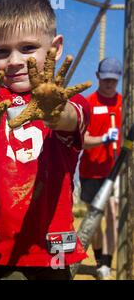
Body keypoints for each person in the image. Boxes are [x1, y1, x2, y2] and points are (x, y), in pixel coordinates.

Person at [0, 0, 92, 280]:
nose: (14, 60)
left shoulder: (66, 101)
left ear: (56, 47)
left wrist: (54, 112)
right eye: (2, 51)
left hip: (51, 246)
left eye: (28, 47)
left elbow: (71, 118)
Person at [79, 57, 122, 280]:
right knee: (94, 221)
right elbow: (83, 140)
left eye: (113, 81)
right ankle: (98, 261)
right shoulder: (89, 103)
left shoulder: (124, 103)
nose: (109, 85)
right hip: (90, 172)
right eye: (105, 80)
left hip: (114, 172)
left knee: (113, 214)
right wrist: (103, 139)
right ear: (98, 77)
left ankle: (107, 263)